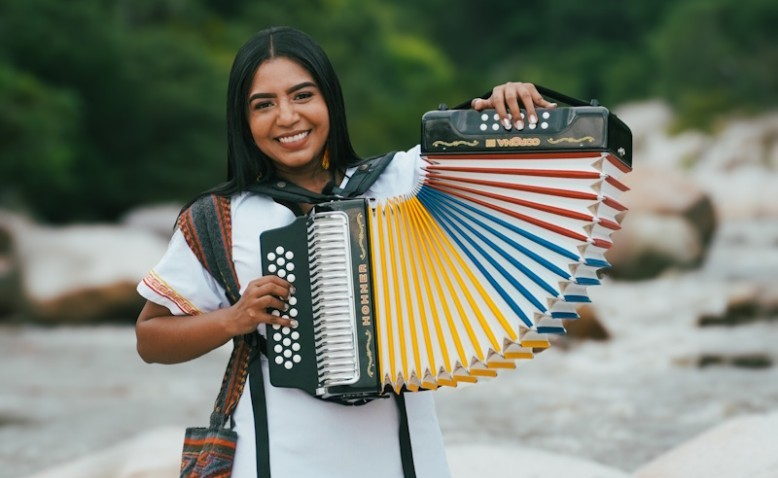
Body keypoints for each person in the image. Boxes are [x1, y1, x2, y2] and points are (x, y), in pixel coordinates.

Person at [135, 26, 557, 478]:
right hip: (279, 457)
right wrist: (233, 319)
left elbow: (518, 158)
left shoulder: (403, 180)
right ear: (242, 120)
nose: (287, 117)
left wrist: (505, 106)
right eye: (264, 105)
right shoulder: (219, 217)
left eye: (302, 96)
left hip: (404, 457)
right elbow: (150, 337)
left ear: (330, 101)